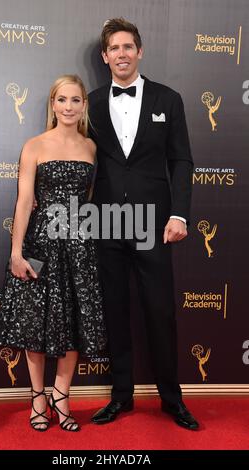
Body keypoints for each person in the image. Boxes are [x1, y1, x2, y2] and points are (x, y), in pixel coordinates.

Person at [88, 18, 199, 430]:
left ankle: (172, 400)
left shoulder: (169, 99)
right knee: (115, 311)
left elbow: (182, 160)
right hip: (107, 223)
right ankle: (121, 397)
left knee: (160, 312)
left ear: (140, 51)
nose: (121, 54)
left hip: (155, 224)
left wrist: (179, 213)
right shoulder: (92, 102)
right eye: (114, 48)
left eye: (128, 46)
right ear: (105, 56)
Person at [0, 75, 107, 432]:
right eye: (62, 100)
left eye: (76, 100)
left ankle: (62, 394)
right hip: (41, 243)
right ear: (53, 104)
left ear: (84, 105)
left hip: (79, 245)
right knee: (36, 322)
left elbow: (88, 200)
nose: (69, 107)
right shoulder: (35, 146)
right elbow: (25, 202)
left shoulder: (91, 148)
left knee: (74, 317)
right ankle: (38, 397)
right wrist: (16, 252)